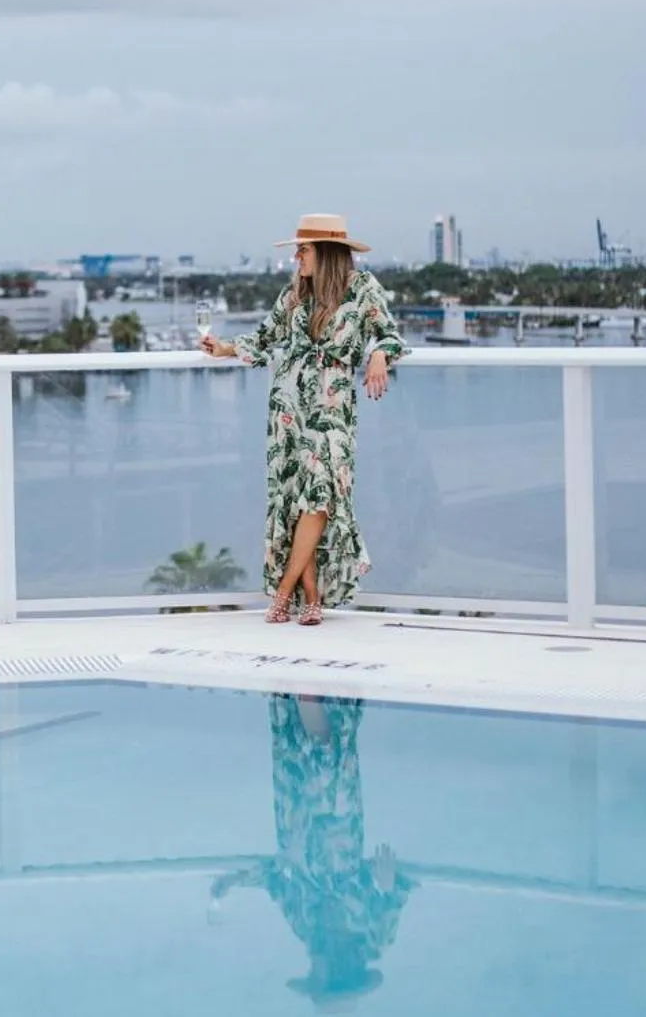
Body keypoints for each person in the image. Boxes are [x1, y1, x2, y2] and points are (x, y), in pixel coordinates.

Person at [202, 213, 406, 624]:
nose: (296, 257)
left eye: (304, 249)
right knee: (297, 500)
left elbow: (390, 334)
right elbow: (263, 340)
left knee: (321, 497)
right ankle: (309, 593)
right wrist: (223, 348)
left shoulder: (363, 289)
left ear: (327, 252)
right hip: (288, 407)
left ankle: (283, 591)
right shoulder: (294, 293)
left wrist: (379, 353)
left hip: (333, 410)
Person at [210, 695, 414, 1008]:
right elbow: (395, 891)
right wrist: (384, 887)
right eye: (315, 975)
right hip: (337, 829)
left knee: (293, 749)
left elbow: (277, 882)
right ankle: (309, 691)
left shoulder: (306, 930)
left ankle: (298, 689)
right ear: (336, 974)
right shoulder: (373, 940)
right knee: (326, 759)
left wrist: (237, 881)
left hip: (296, 820)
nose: (310, 967)